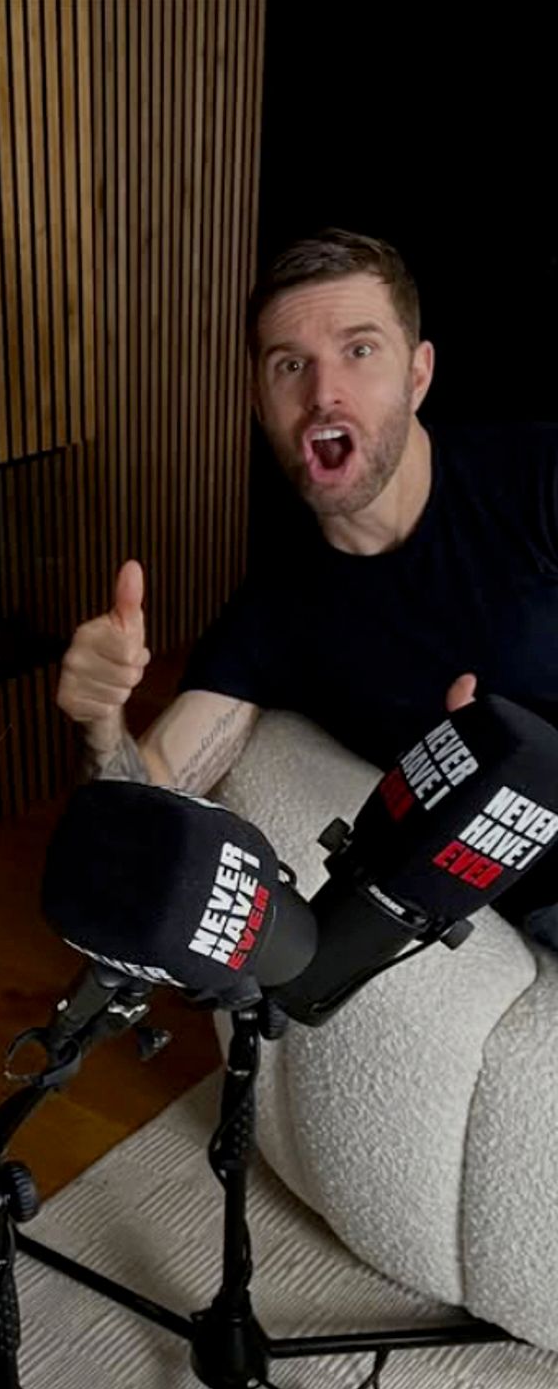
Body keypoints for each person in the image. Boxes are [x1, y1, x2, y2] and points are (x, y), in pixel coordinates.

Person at [57, 228, 558, 947]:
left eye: (360, 351)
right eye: (290, 365)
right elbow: (138, 817)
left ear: (418, 375)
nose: (324, 394)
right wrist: (101, 721)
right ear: (259, 404)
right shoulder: (275, 615)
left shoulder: (538, 479)